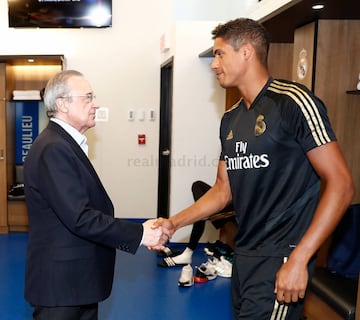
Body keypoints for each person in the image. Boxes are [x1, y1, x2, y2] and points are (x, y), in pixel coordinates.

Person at [154, 18, 354, 319]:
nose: (213, 64)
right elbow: (222, 191)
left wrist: (299, 258)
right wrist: (173, 223)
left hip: (282, 254)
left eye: (220, 54)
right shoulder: (231, 119)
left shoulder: (294, 103)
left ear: (246, 52)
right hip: (245, 253)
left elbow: (341, 184)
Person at [23, 70, 169, 320]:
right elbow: (79, 217)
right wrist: (141, 234)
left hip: (77, 281)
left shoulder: (62, 143)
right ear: (62, 104)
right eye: (88, 97)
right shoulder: (54, 148)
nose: (96, 104)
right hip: (62, 287)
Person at [158, 180, 236, 267]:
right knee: (198, 186)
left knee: (204, 212)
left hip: (239, 206)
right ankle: (205, 215)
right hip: (228, 199)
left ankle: (188, 252)